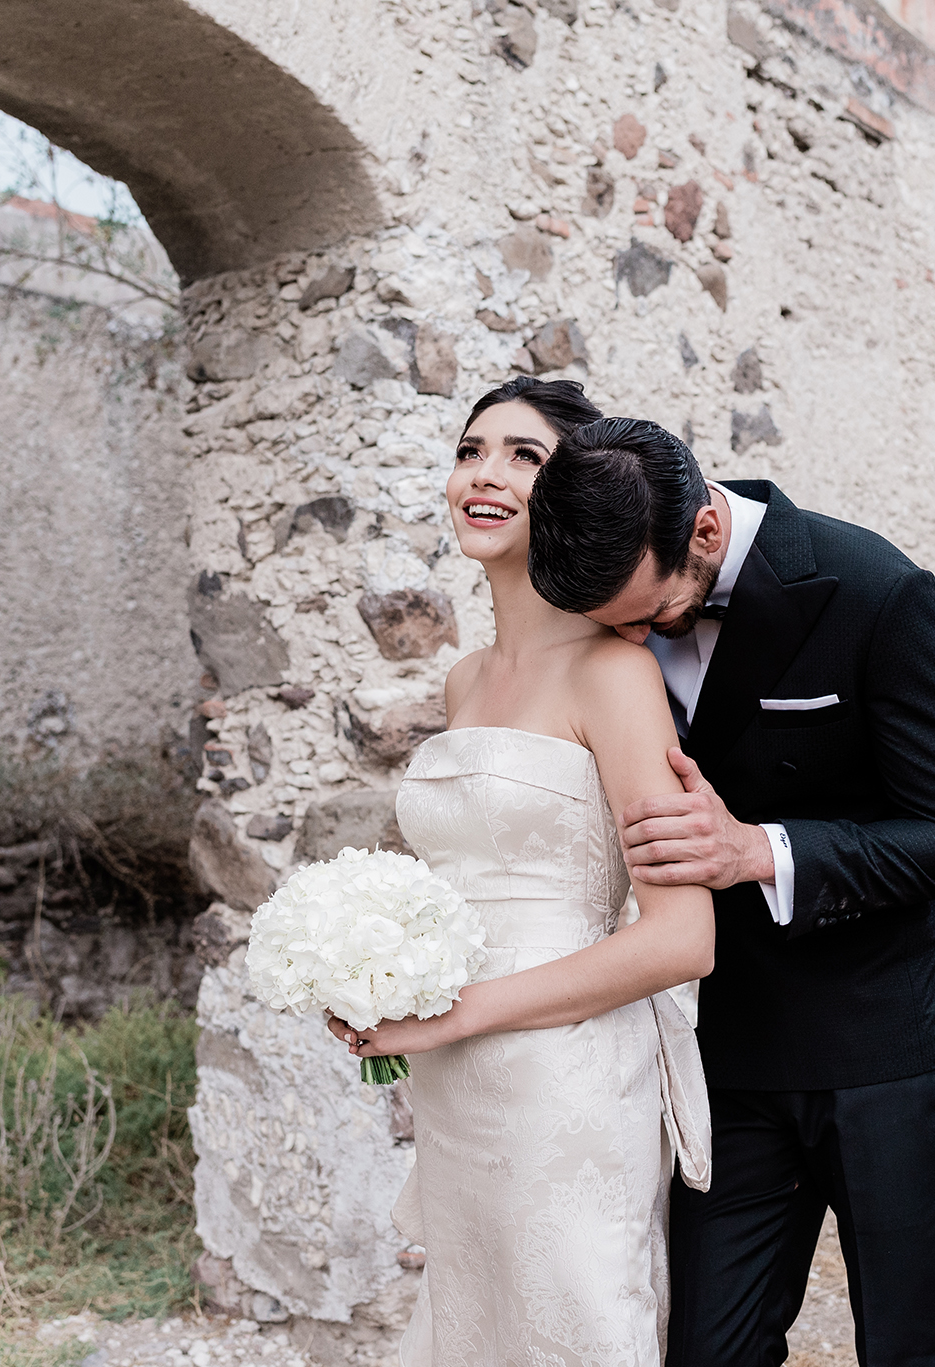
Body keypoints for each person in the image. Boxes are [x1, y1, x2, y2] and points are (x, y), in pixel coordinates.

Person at [526, 419, 935, 1366]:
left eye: (649, 617)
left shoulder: (876, 588)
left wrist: (757, 852)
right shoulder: (611, 594)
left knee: (913, 1348)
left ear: (706, 531)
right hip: (727, 1053)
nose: (628, 639)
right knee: (705, 1346)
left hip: (893, 1047)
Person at [328, 378, 715, 1367]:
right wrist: (373, 979)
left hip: (567, 1076)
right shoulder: (463, 680)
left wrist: (461, 1010)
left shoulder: (612, 673)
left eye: (522, 455)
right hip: (454, 1079)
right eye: (469, 450)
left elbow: (681, 934)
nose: (483, 474)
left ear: (577, 493)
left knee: (572, 1323)